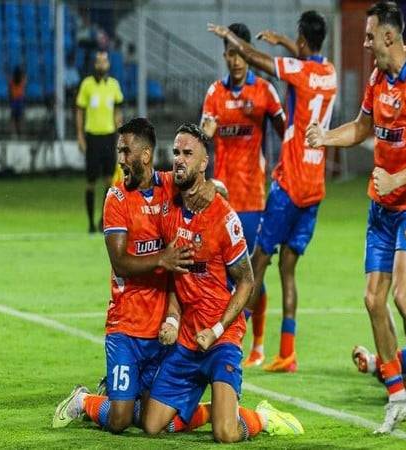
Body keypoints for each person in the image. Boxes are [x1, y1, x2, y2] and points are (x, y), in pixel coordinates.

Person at [306, 1, 406, 433]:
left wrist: (395, 179)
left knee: (402, 296)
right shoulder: (376, 79)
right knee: (372, 300)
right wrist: (325, 136)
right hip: (381, 207)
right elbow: (363, 129)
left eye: (369, 36)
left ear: (389, 36)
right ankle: (397, 397)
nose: (364, 43)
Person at [51, 118, 222, 434]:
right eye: (118, 151)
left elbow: (204, 184)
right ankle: (84, 399)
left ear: (145, 155)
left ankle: (222, 412)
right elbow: (120, 262)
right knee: (119, 421)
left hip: (160, 331)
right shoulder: (116, 198)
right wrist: (163, 258)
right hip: (126, 327)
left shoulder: (169, 186)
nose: (120, 159)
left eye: (125, 151)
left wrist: (212, 186)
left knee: (154, 421)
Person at [141, 123, 304, 443]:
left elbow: (247, 281)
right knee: (151, 426)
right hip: (188, 339)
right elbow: (178, 279)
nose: (179, 159)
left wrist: (216, 331)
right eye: (175, 152)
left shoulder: (224, 217)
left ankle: (261, 417)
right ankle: (216, 407)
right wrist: (173, 319)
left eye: (188, 153)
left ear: (203, 163)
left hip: (221, 337)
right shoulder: (169, 202)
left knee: (226, 434)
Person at [208, 11, 337, 373]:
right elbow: (303, 61)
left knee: (257, 265)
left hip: (288, 184)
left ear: (302, 40)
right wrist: (285, 42)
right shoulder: (329, 72)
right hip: (316, 187)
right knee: (289, 270)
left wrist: (234, 40)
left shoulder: (290, 77)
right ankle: (287, 352)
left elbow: (257, 60)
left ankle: (235, 340)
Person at [200, 22, 285, 368]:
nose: (236, 61)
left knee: (252, 275)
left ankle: (259, 345)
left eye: (240, 54)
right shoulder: (214, 93)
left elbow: (287, 130)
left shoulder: (264, 91)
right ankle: (228, 338)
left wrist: (287, 168)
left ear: (248, 55)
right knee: (219, 275)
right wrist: (206, 132)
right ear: (225, 56)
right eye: (230, 54)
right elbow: (204, 130)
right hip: (220, 200)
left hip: (252, 200)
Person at [76, 50, 124, 233]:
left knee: (108, 181)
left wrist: (120, 135)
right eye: (98, 61)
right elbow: (80, 111)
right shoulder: (87, 85)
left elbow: (118, 112)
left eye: (104, 61)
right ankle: (90, 222)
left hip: (108, 137)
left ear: (108, 65)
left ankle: (102, 220)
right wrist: (80, 135)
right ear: (94, 64)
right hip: (92, 137)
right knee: (90, 181)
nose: (101, 65)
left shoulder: (114, 85)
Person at [9, 66, 26, 137]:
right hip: (18, 101)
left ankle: (15, 133)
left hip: (15, 101)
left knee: (15, 118)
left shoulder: (13, 81)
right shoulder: (21, 81)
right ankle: (19, 133)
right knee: (18, 118)